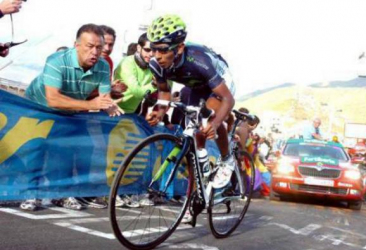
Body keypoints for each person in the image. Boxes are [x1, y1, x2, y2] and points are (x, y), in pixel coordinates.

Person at [22, 24, 123, 211]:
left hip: (70, 109)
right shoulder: (56, 60)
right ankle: (31, 193)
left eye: (99, 48)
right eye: (89, 46)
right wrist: (91, 105)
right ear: (76, 45)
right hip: (39, 106)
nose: (95, 52)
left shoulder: (102, 67)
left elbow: (104, 98)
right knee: (38, 148)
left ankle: (59, 194)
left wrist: (110, 106)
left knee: (65, 151)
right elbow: (53, 99)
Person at [145, 14, 236, 190]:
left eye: (163, 50)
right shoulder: (156, 64)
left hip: (219, 83)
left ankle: (227, 159)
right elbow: (164, 92)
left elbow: (227, 98)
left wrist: (216, 124)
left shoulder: (199, 60)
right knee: (195, 140)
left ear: (179, 48)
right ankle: (195, 195)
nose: (157, 56)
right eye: (154, 49)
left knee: (208, 121)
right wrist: (160, 110)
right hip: (197, 86)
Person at [114, 33, 156, 114]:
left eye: (154, 50)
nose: (151, 54)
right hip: (112, 110)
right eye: (147, 50)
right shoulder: (127, 63)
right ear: (139, 48)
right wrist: (154, 84)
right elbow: (137, 92)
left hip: (131, 113)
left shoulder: (153, 65)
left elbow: (166, 87)